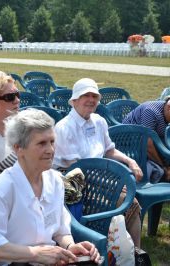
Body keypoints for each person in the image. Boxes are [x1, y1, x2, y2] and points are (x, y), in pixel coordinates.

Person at [0, 109, 101, 266]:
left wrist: (70, 246)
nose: (50, 150)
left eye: (52, 142)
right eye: (41, 143)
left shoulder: (55, 180)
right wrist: (35, 254)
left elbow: (60, 229)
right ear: (18, 148)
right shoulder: (2, 189)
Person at [53, 78, 143, 248]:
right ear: (74, 101)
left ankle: (134, 251)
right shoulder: (64, 127)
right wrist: (112, 182)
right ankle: (131, 251)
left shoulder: (99, 121)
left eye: (94, 95)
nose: (91, 100)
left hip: (99, 177)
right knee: (130, 201)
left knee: (130, 201)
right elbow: (78, 167)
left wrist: (131, 161)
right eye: (85, 95)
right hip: (75, 183)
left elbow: (109, 150)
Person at [123, 98, 170, 182]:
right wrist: (164, 167)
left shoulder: (165, 111)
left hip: (154, 138)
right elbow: (147, 145)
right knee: (160, 169)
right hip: (129, 141)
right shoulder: (151, 111)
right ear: (169, 108)